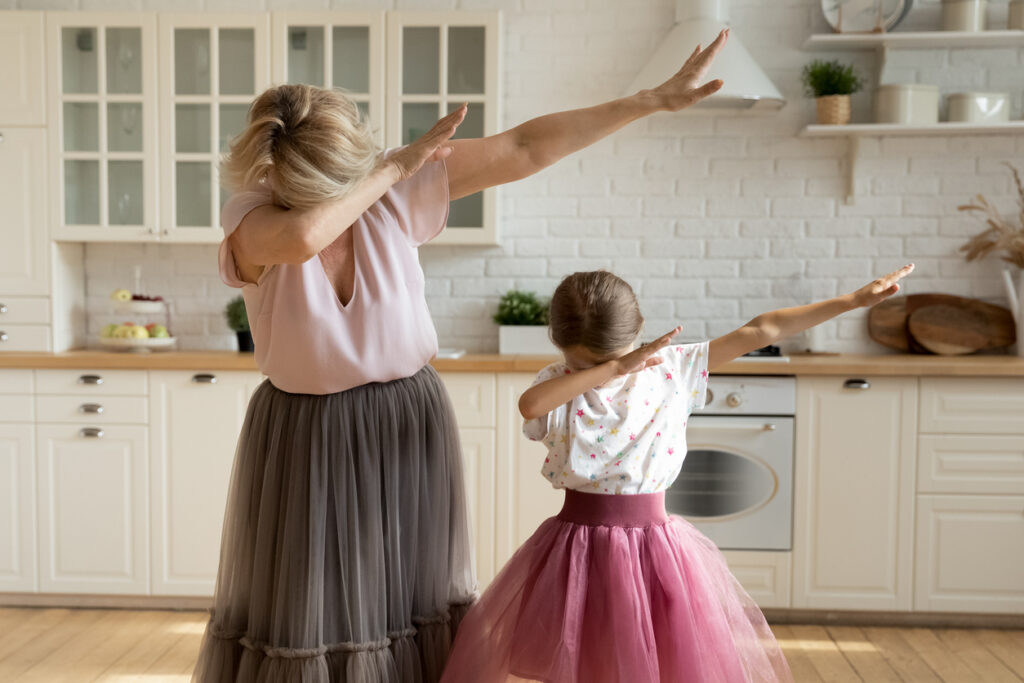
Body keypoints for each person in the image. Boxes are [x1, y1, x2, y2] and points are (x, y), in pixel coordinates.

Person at [192, 30, 732, 683]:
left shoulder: (393, 188)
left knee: (408, 595)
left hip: (404, 416)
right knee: (316, 601)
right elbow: (306, 236)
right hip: (307, 430)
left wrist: (648, 100)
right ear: (274, 173)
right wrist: (392, 167)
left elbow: (526, 146)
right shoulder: (253, 215)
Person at [441, 264, 916, 683]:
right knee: (580, 659)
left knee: (656, 660)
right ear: (559, 344)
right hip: (577, 548)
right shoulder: (557, 386)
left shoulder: (674, 366)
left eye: (609, 359)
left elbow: (760, 329)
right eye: (584, 363)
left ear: (639, 332)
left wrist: (852, 301)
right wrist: (611, 368)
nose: (602, 371)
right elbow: (530, 405)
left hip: (656, 547)